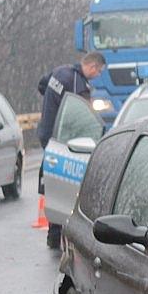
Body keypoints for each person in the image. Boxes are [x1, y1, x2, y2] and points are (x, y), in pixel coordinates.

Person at [37, 52, 106, 247]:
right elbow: (81, 116)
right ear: (92, 66)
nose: (98, 75)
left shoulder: (60, 72)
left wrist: (52, 106)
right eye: (99, 71)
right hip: (63, 139)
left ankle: (53, 235)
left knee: (55, 184)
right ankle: (65, 234)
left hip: (47, 133)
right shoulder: (78, 84)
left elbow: (42, 85)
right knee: (72, 188)